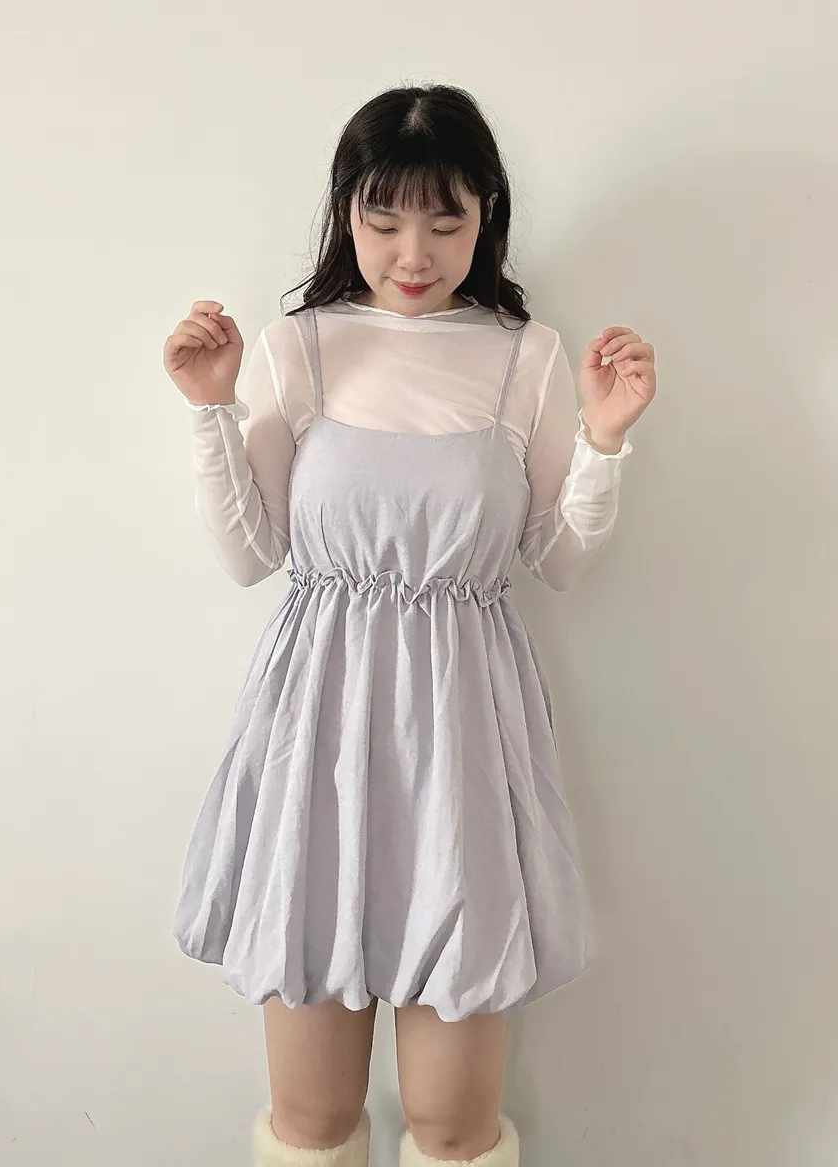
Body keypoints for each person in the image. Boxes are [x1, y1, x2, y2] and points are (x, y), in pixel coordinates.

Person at [162, 84, 657, 1166]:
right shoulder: (298, 347)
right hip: (318, 735)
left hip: (464, 744)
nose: (414, 252)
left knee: (452, 1123)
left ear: (487, 216)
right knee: (311, 1122)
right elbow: (249, 555)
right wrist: (211, 408)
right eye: (383, 219)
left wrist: (605, 441)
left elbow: (559, 561)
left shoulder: (527, 355)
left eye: (446, 219)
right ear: (347, 213)